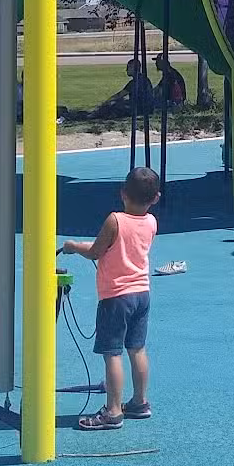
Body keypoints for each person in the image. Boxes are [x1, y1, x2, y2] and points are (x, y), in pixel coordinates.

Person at [57, 167, 184, 432]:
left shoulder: (115, 220)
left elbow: (95, 251)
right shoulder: (151, 222)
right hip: (141, 293)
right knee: (137, 348)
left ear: (123, 193)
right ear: (156, 198)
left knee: (111, 353)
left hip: (116, 296)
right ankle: (139, 401)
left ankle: (113, 411)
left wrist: (72, 246)